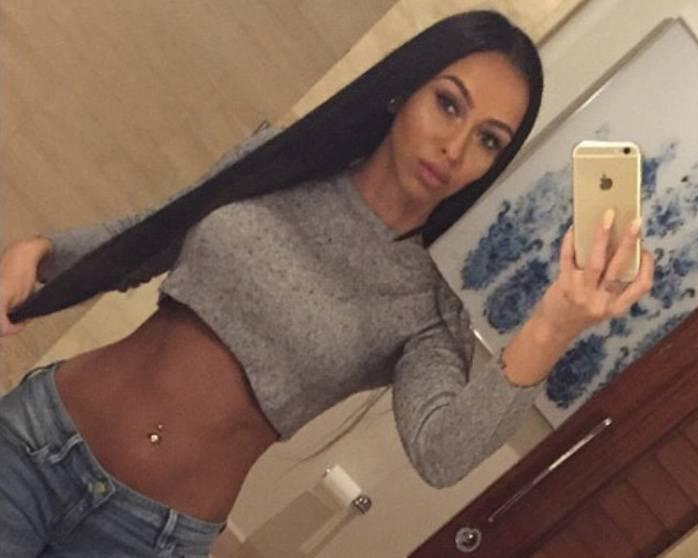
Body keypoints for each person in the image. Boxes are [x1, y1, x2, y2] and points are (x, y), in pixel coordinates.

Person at [0, 9, 654, 557]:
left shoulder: (429, 305)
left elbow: (441, 453)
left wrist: (554, 326)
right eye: (448, 104)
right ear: (404, 90)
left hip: (150, 535)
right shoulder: (282, 161)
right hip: (37, 443)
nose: (454, 148)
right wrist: (45, 253)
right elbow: (150, 235)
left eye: (488, 140)